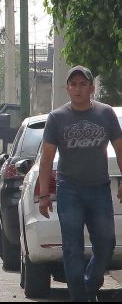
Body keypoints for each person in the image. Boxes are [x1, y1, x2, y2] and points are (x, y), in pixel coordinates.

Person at [38, 66, 122, 302]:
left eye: (83, 84)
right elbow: (46, 158)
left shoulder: (105, 114)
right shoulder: (57, 118)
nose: (78, 89)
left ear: (91, 88)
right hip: (70, 191)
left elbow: (120, 148)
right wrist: (44, 195)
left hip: (99, 189)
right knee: (72, 249)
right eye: (73, 84)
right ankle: (79, 298)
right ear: (67, 89)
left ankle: (90, 285)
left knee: (106, 244)